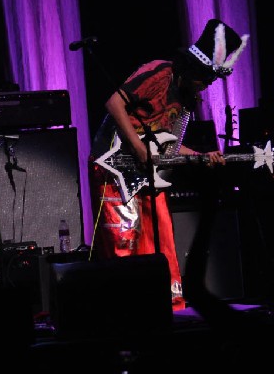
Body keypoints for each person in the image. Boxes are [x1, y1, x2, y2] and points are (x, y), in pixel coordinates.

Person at [89, 19, 250, 311]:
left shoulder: (187, 100)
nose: (208, 84)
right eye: (206, 78)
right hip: (114, 165)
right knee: (123, 239)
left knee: (159, 235)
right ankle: (124, 310)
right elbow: (114, 103)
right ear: (193, 69)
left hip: (148, 171)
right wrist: (138, 149)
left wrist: (202, 157)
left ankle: (165, 305)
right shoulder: (160, 72)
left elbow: (170, 146)